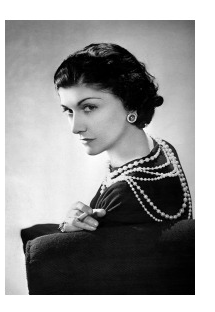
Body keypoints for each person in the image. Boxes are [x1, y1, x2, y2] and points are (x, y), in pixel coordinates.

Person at [51, 43, 192, 232]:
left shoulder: (125, 193)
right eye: (69, 111)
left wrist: (66, 231)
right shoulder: (163, 149)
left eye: (89, 107)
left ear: (130, 103)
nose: (75, 128)